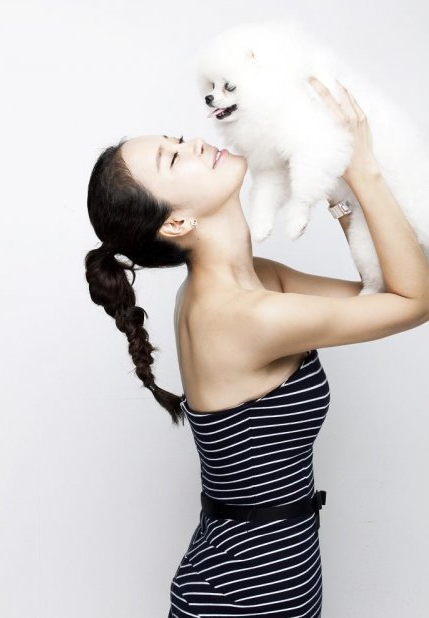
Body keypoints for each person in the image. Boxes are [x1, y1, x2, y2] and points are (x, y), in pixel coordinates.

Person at [84, 78, 428, 617]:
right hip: (241, 600)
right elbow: (414, 300)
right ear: (177, 221)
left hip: (264, 585)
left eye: (179, 139)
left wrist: (336, 186)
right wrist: (362, 168)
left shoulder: (253, 282)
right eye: (174, 159)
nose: (196, 143)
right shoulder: (242, 317)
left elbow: (383, 288)